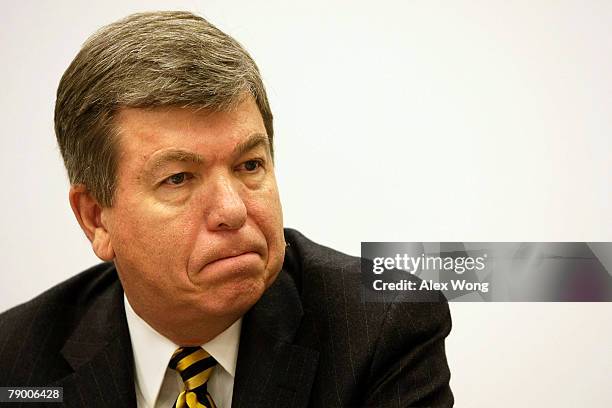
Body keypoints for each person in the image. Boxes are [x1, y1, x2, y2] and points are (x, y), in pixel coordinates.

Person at [0, 11, 453, 408]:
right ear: (96, 217)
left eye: (249, 165)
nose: (233, 210)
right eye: (178, 178)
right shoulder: (15, 358)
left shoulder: (381, 327)